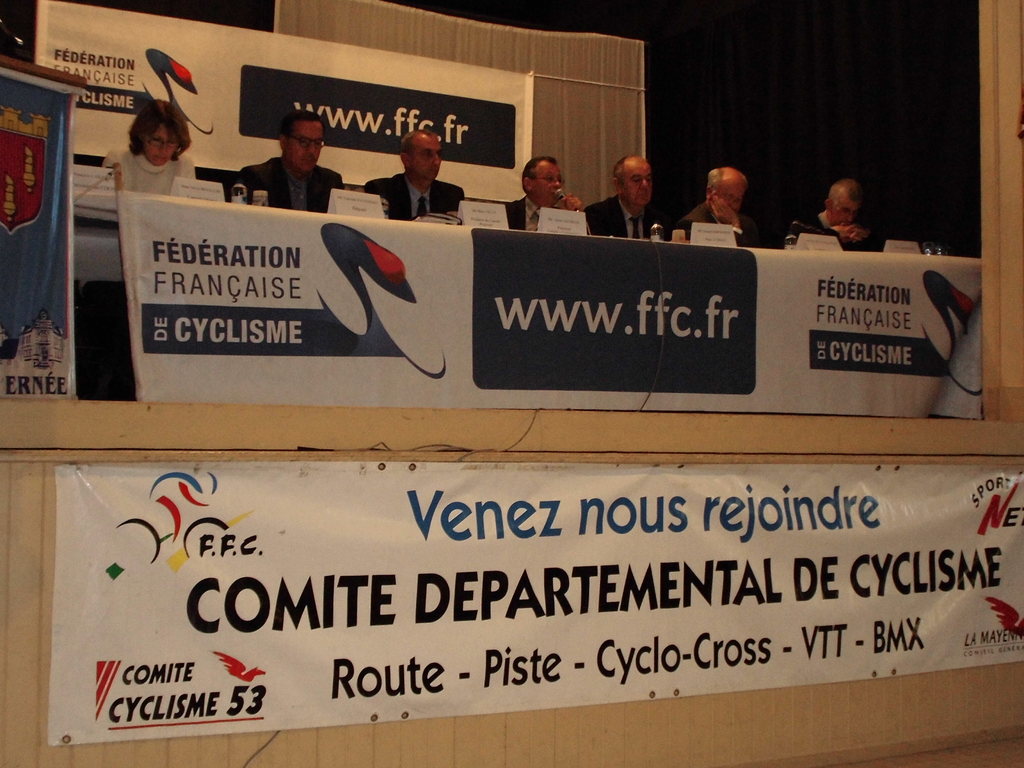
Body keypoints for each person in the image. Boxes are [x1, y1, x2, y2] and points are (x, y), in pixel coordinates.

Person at [236, 109, 343, 212]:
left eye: (317, 143)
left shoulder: (330, 183)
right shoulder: (257, 178)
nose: (312, 151)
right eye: (303, 142)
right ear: (283, 142)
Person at [363, 129, 464, 220]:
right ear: (406, 160)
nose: (436, 161)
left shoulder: (452, 196)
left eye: (439, 154)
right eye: (427, 154)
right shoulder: (381, 191)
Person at [103, 99, 194, 195]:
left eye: (171, 142)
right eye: (156, 140)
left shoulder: (184, 165)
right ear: (141, 136)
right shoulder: (118, 160)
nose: (163, 150)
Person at [585, 155, 671, 239]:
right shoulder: (598, 216)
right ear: (618, 185)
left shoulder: (660, 222)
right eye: (637, 180)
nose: (645, 185)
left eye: (648, 179)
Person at [675, 166, 760, 247]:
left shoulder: (747, 224)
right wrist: (734, 227)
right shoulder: (692, 223)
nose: (733, 205)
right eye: (729, 197)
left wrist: (736, 225)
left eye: (738, 200)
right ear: (709, 193)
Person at [789, 178, 879, 250]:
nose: (850, 218)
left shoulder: (856, 233)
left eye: (855, 212)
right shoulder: (802, 225)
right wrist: (834, 233)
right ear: (829, 205)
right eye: (845, 210)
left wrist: (866, 239)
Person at [506, 156, 584, 231]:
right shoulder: (507, 213)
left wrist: (574, 217)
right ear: (528, 184)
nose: (557, 184)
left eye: (559, 180)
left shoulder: (563, 215)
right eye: (550, 179)